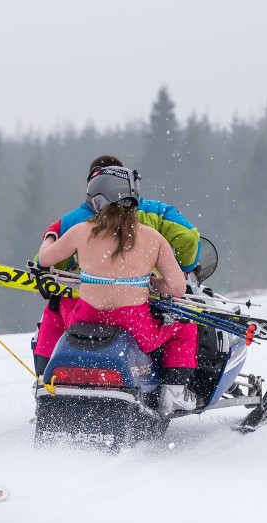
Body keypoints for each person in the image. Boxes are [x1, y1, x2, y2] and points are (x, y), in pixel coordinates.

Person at [38, 166, 200, 415]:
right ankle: (174, 392)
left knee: (55, 309)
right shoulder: (153, 238)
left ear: (97, 198)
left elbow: (45, 259)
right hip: (135, 326)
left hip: (86, 317)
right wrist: (148, 283)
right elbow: (177, 288)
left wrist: (51, 233)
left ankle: (42, 379)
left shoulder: (82, 231)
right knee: (185, 325)